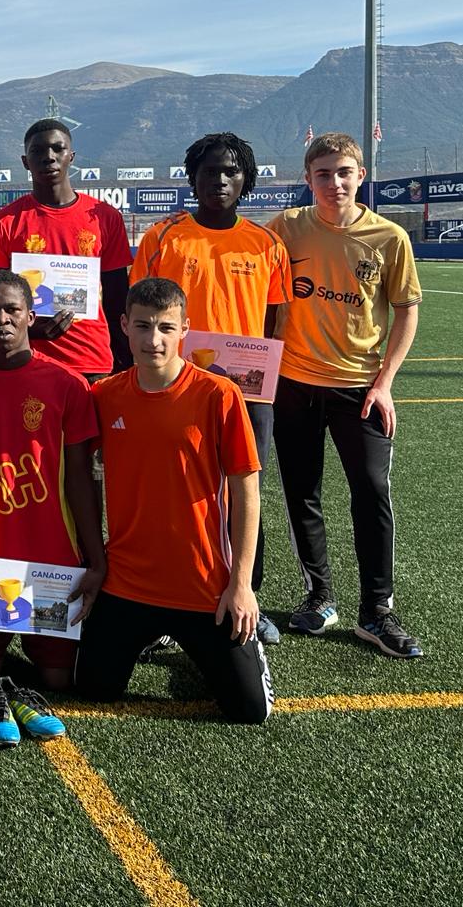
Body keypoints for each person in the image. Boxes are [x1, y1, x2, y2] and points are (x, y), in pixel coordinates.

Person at [75, 277, 272, 724]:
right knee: (92, 689)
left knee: (248, 711)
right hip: (127, 584)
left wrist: (240, 585)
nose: (153, 340)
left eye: (166, 327)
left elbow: (246, 490)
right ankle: (154, 635)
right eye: (142, 326)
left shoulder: (218, 394)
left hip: (204, 587)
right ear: (122, 325)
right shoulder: (104, 396)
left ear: (186, 328)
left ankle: (227, 646)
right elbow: (77, 475)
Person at [267, 132, 423, 658]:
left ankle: (376, 612)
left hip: (359, 389)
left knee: (372, 494)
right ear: (308, 179)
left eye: (344, 172)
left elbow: (406, 310)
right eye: (323, 174)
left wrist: (384, 383)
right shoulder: (286, 228)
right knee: (300, 493)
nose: (335, 183)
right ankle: (320, 596)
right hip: (292, 383)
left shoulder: (388, 238)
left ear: (360, 175)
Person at [132, 131, 291, 644]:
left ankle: (249, 596)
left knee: (245, 494)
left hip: (246, 395)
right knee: (172, 493)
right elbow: (140, 310)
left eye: (231, 171)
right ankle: (164, 601)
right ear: (192, 177)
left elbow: (277, 318)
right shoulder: (163, 238)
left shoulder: (266, 244)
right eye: (209, 171)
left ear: (245, 179)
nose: (220, 180)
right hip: (173, 388)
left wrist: (262, 375)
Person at [0, 270, 97, 743]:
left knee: (59, 682)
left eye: (11, 310)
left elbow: (81, 481)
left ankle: (21, 689)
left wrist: (95, 558)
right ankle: (3, 683)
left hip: (49, 562)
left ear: (31, 315)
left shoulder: (68, 384)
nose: (2, 319)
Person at [0, 119, 132, 377]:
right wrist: (30, 328)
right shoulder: (3, 223)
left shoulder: (105, 217)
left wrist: (125, 359)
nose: (48, 157)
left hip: (92, 363)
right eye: (37, 151)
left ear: (71, 156)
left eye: (57, 149)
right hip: (26, 360)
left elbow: (117, 298)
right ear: (25, 161)